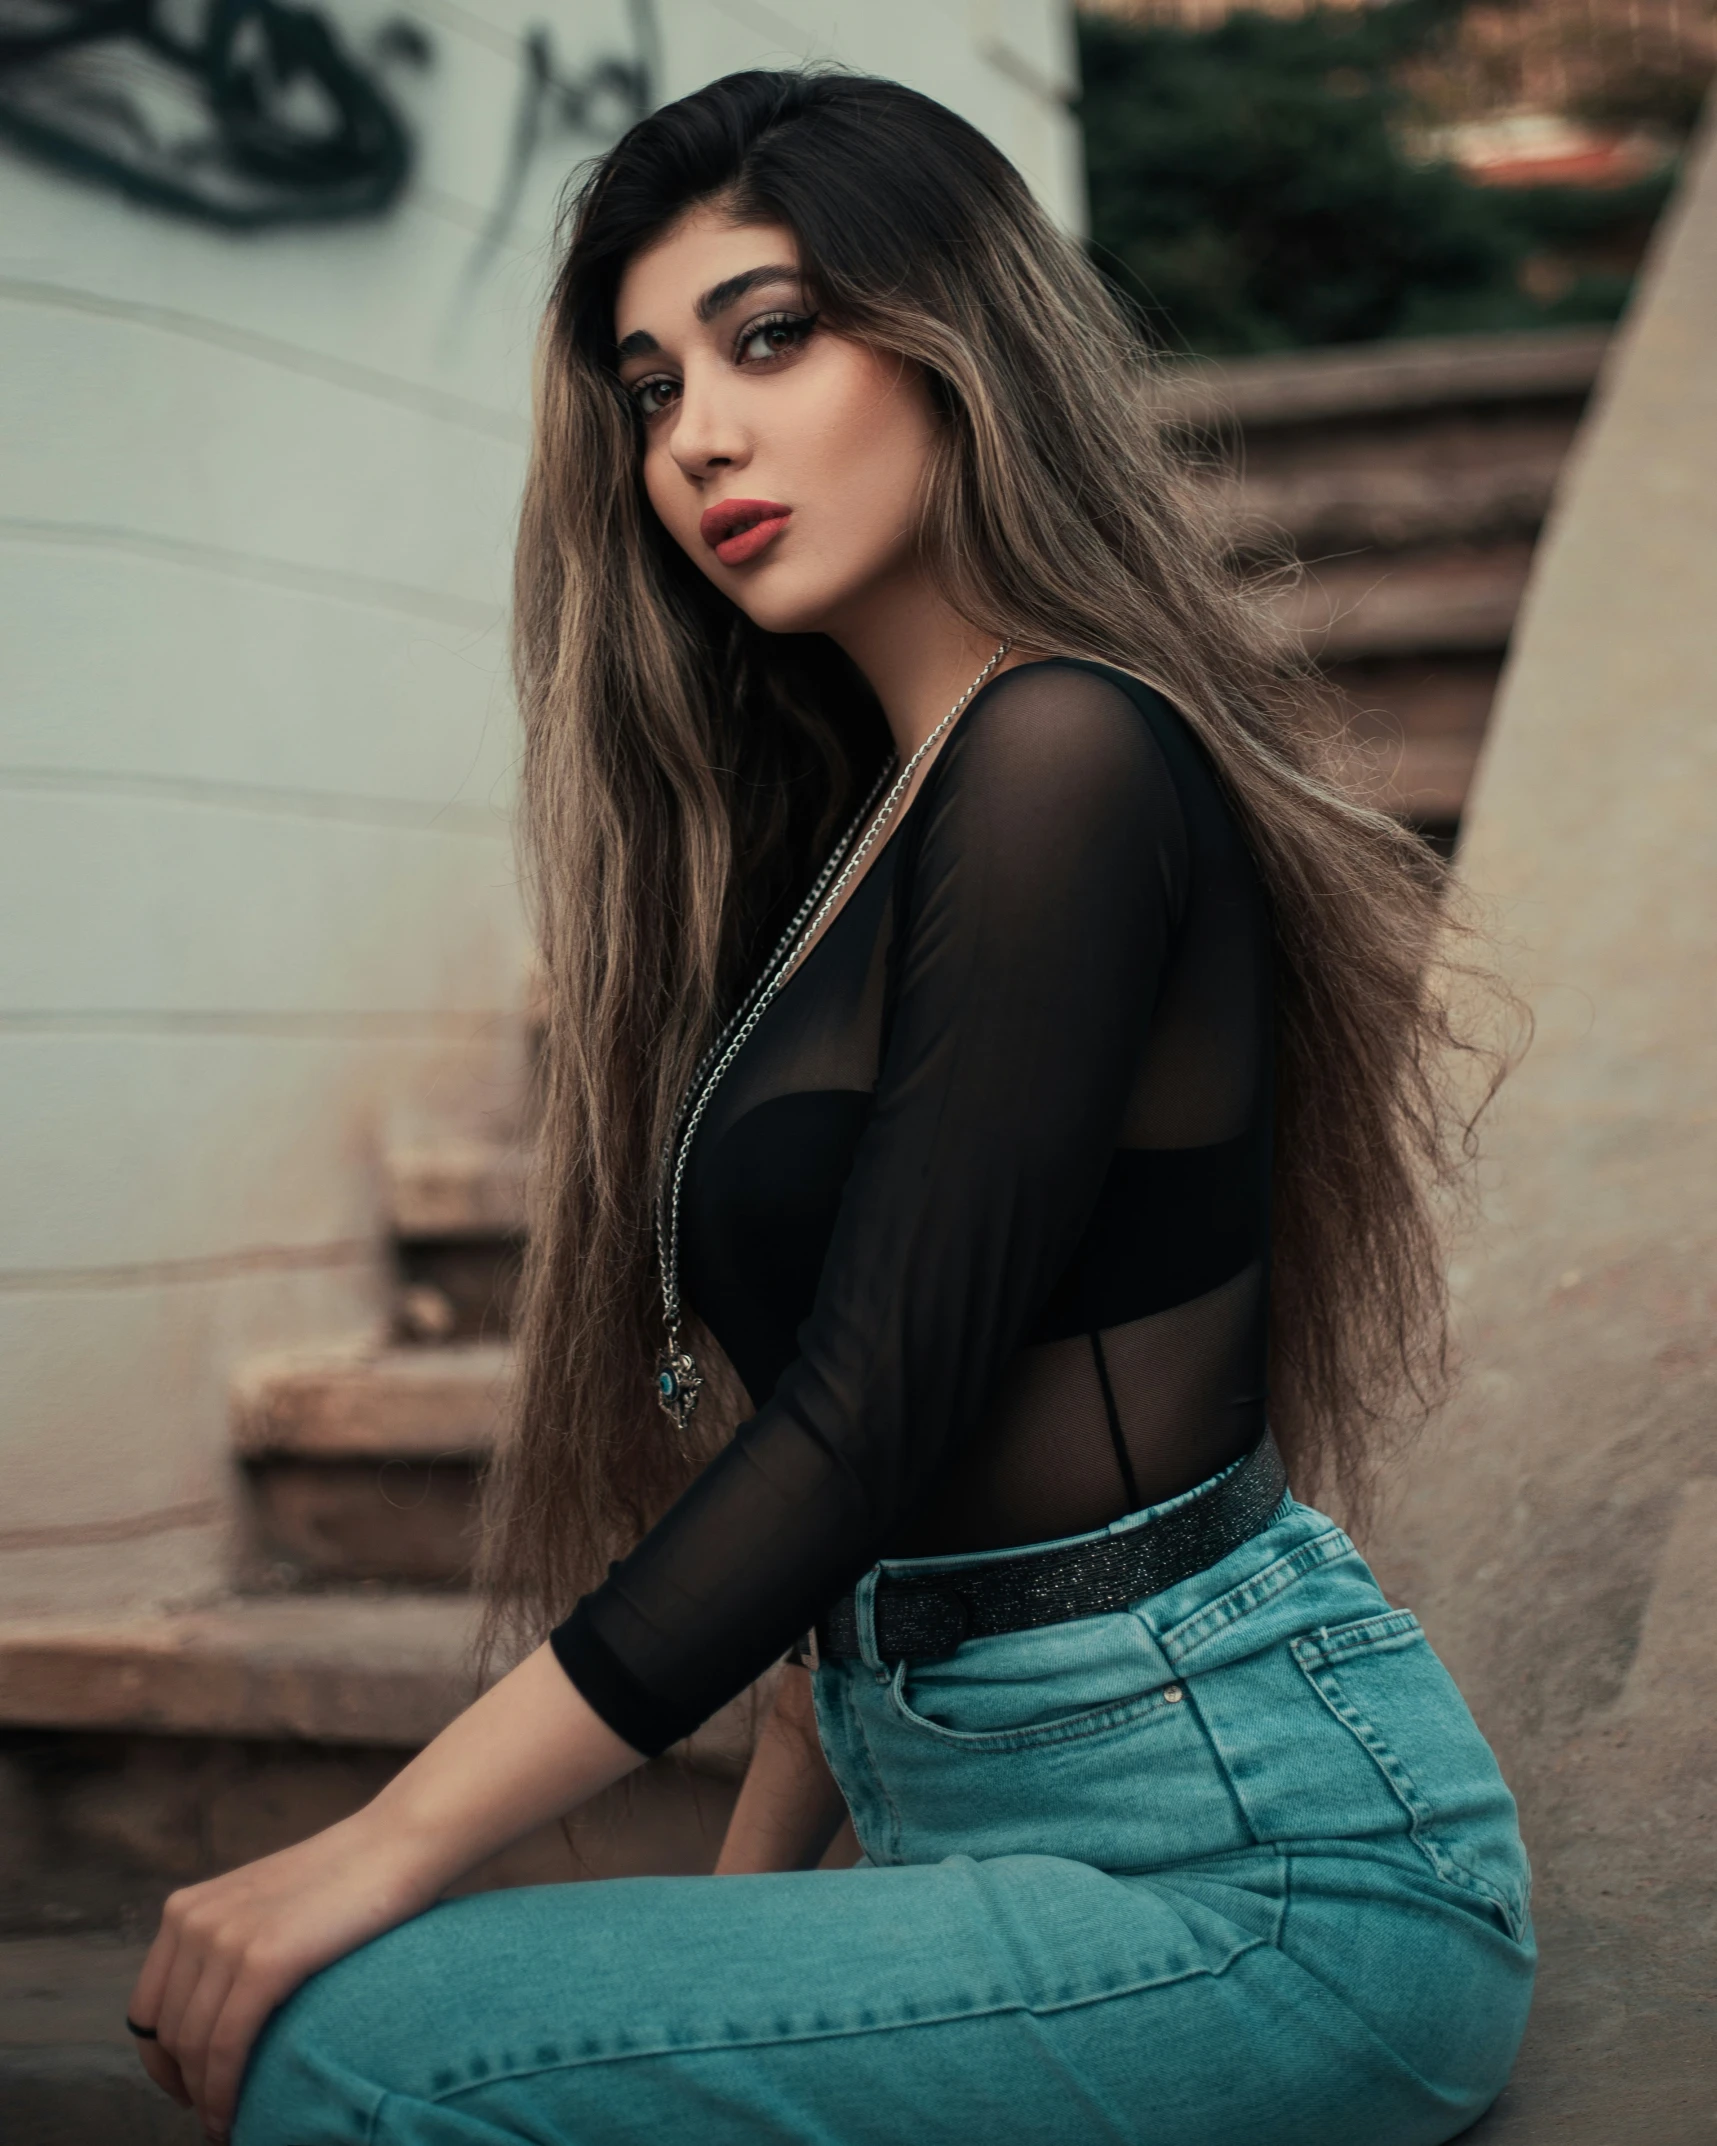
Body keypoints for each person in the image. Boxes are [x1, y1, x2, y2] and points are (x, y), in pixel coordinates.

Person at [128, 69, 1533, 2146]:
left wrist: (386, 1840)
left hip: (1273, 1873)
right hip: (983, 1815)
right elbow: (871, 1527)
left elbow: (866, 1415)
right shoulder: (859, 841)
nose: (694, 433)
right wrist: (726, 1942)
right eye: (646, 382)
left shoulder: (1071, 758)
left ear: (958, 339)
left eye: (770, 336)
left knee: (357, 2032)